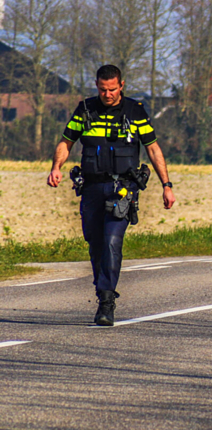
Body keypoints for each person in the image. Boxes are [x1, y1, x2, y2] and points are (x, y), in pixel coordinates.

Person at [47, 65, 176, 326]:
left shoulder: (135, 111)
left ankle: (106, 301)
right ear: (97, 85)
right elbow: (66, 142)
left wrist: (167, 184)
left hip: (123, 189)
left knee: (111, 242)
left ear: (122, 85)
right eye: (103, 89)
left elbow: (152, 149)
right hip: (92, 188)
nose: (108, 94)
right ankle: (102, 287)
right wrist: (56, 167)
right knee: (95, 243)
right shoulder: (85, 110)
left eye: (113, 89)